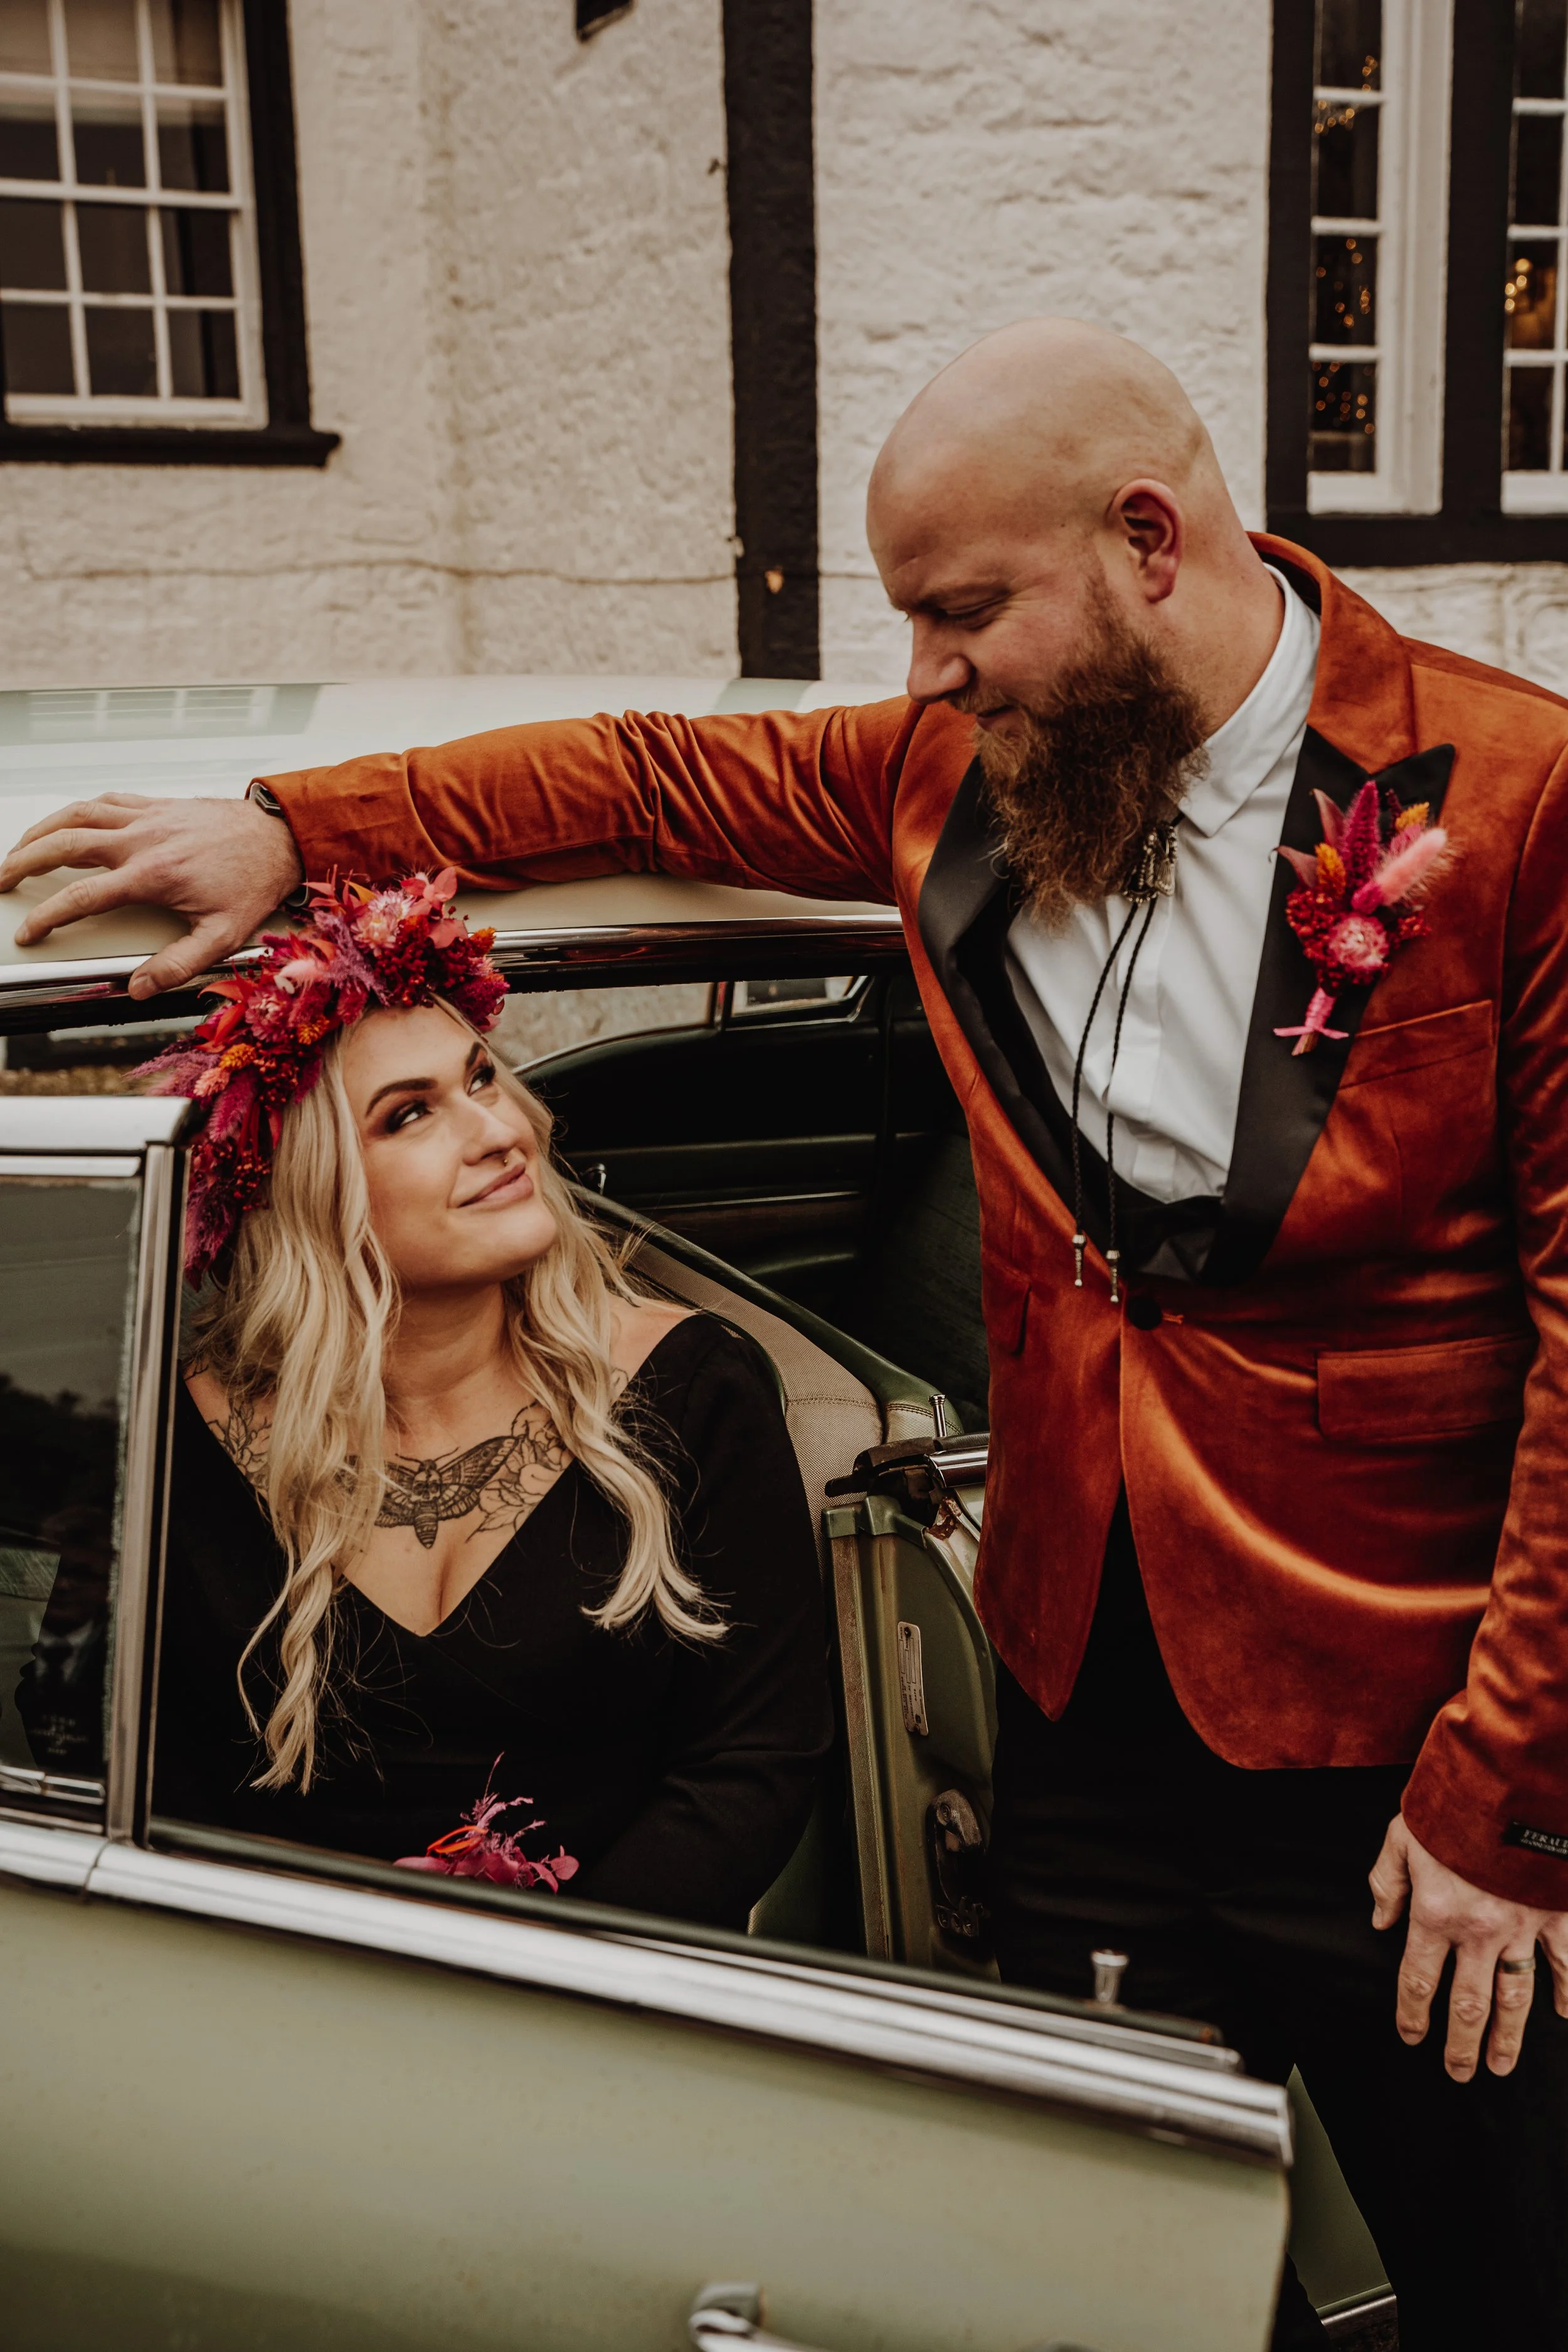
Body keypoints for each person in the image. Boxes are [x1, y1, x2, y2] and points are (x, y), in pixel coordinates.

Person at [5, 317, 1567, 2348]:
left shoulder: (1521, 806)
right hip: (1079, 1702)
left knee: (1499, 2279)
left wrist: (1511, 1809)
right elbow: (650, 771)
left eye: (962, 611)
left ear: (1150, 542)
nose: (922, 671)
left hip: (1411, 1743)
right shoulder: (963, 770)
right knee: (1098, 2275)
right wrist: (300, 828)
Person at [137, 870, 831, 1928]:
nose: (499, 1130)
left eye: (483, 1077)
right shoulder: (183, 1442)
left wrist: (546, 1986)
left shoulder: (694, 1388)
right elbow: (107, 1750)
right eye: (411, 1115)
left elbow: (754, 1768)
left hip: (618, 2000)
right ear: (313, 1193)